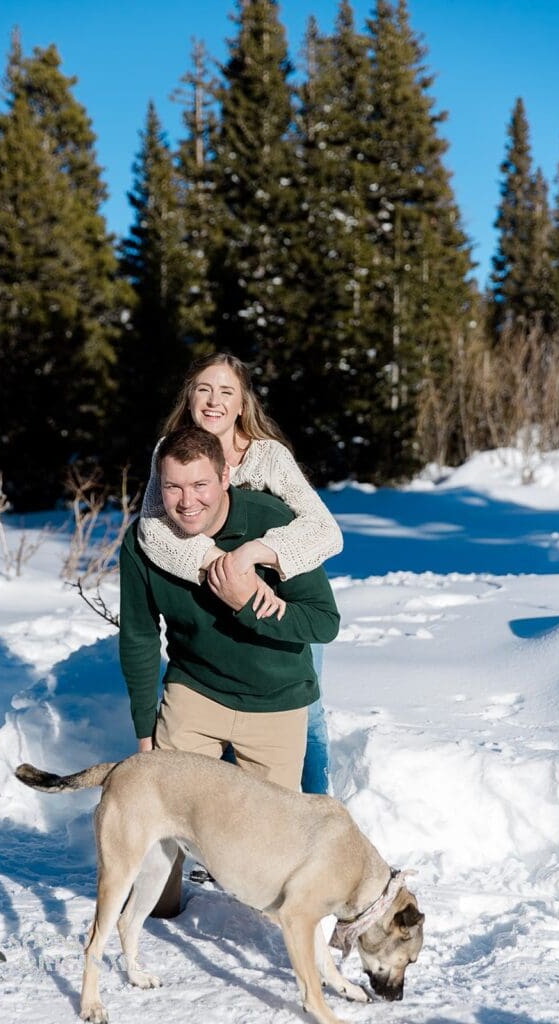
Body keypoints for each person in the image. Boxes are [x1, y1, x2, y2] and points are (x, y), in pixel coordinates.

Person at [120, 426, 341, 914]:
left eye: (200, 485)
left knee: (273, 846)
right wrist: (143, 728)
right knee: (162, 811)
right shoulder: (147, 543)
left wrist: (248, 604)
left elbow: (325, 622)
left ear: (225, 476)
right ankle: (160, 908)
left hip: (276, 698)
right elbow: (137, 636)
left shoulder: (273, 525)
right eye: (173, 487)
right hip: (195, 692)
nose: (186, 501)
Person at [138, 353, 343, 794]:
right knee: (221, 719)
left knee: (307, 713)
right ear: (189, 396)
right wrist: (218, 564)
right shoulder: (170, 450)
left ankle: (317, 812)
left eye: (226, 391)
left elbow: (325, 531)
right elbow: (153, 529)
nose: (213, 401)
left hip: (278, 604)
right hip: (213, 612)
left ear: (242, 403)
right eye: (204, 389)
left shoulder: (268, 458)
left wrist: (252, 555)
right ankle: (225, 835)